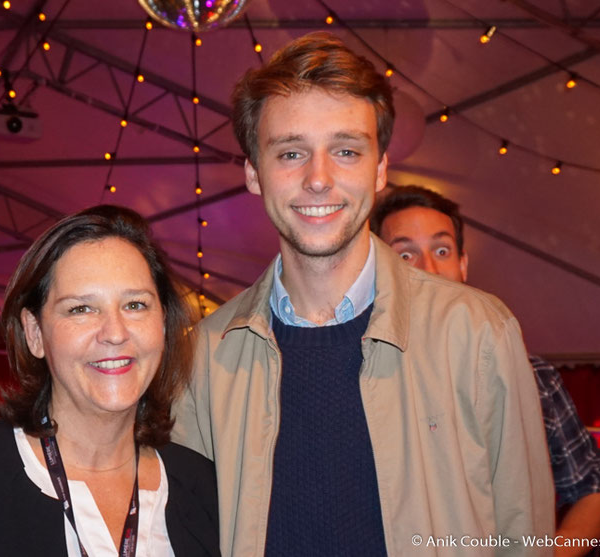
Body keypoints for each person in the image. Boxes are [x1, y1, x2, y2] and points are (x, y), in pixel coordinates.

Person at [171, 32, 554, 556]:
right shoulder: (204, 355)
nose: (319, 179)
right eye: (290, 153)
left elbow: (524, 534)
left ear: (379, 169)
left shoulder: (478, 331)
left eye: (346, 150)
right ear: (254, 174)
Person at [0, 205, 219, 557]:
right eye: (81, 309)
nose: (115, 333)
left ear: (163, 325)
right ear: (35, 333)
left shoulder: (202, 485)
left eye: (135, 305)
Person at [371, 184, 600, 556]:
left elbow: (594, 486)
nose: (430, 268)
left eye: (442, 250)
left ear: (463, 265)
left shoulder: (529, 375)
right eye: (405, 255)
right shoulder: (363, 376)